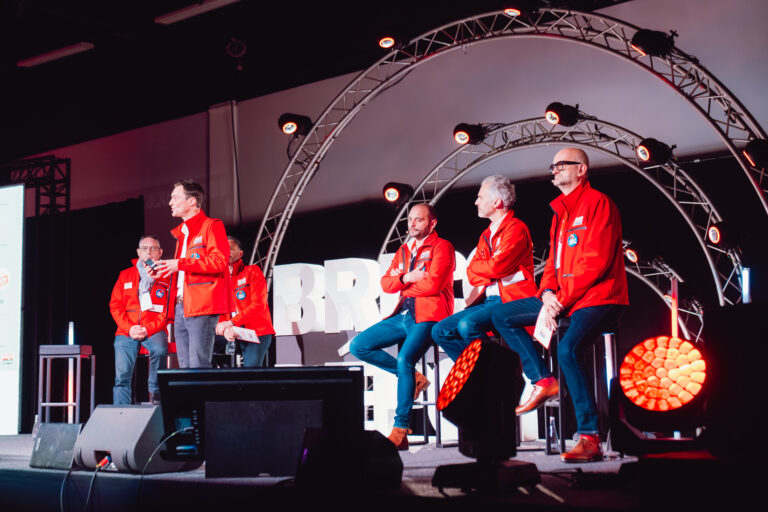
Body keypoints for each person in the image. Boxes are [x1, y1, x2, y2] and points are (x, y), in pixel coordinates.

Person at [490, 147, 629, 462]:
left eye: (561, 164)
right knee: (502, 315)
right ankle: (543, 380)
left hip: (599, 297)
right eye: (552, 166)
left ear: (581, 169)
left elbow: (595, 262)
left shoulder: (599, 203)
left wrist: (560, 300)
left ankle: (589, 439)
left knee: (567, 350)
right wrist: (547, 293)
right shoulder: (560, 213)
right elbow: (553, 262)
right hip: (565, 299)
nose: (554, 169)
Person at [349, 203, 455, 450]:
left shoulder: (442, 247)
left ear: (432, 224)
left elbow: (434, 285)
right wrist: (407, 278)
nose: (412, 224)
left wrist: (404, 287)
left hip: (429, 315)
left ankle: (400, 429)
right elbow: (386, 284)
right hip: (404, 315)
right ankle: (415, 379)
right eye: (410, 219)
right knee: (359, 345)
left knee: (404, 359)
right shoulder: (405, 250)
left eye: (419, 220)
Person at [431, 175, 537, 360]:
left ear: (496, 202)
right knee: (441, 330)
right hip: (489, 301)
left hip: (510, 300)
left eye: (480, 197)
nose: (476, 202)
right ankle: (476, 372)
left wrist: (489, 270)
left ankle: (494, 369)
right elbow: (471, 273)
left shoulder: (516, 228)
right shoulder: (486, 235)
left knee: (467, 325)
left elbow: (497, 267)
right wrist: (491, 271)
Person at [152, 179, 230, 368]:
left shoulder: (212, 226)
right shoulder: (183, 234)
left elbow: (219, 262)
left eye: (175, 197)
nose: (170, 202)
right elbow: (183, 273)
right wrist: (160, 272)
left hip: (201, 307)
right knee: (185, 369)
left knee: (198, 366)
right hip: (181, 307)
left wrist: (180, 263)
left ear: (192, 201)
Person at [109, 235, 170, 405]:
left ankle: (156, 397)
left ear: (160, 253)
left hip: (154, 329)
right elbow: (115, 305)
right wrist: (129, 328)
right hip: (127, 330)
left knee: (159, 350)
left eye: (153, 248)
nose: (148, 252)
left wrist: (148, 329)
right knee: (122, 375)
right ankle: (121, 411)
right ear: (138, 252)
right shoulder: (126, 275)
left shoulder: (167, 276)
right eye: (144, 248)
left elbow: (168, 310)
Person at [213, 236, 275, 367]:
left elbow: (258, 305)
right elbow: (219, 310)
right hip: (232, 332)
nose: (226, 251)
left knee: (251, 370)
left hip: (257, 332)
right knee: (203, 347)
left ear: (240, 254)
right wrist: (225, 329)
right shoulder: (219, 281)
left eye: (231, 248)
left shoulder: (252, 271)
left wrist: (231, 323)